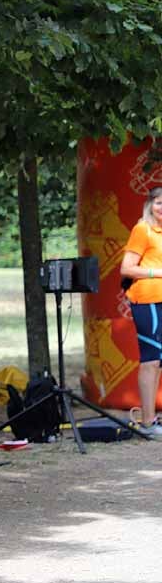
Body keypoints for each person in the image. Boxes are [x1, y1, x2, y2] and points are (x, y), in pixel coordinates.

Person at [119, 186, 162, 436]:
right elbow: (127, 268)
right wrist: (158, 273)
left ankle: (152, 418)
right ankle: (147, 423)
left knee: (159, 362)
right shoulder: (142, 229)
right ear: (150, 205)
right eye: (158, 202)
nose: (161, 208)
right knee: (151, 359)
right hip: (147, 301)